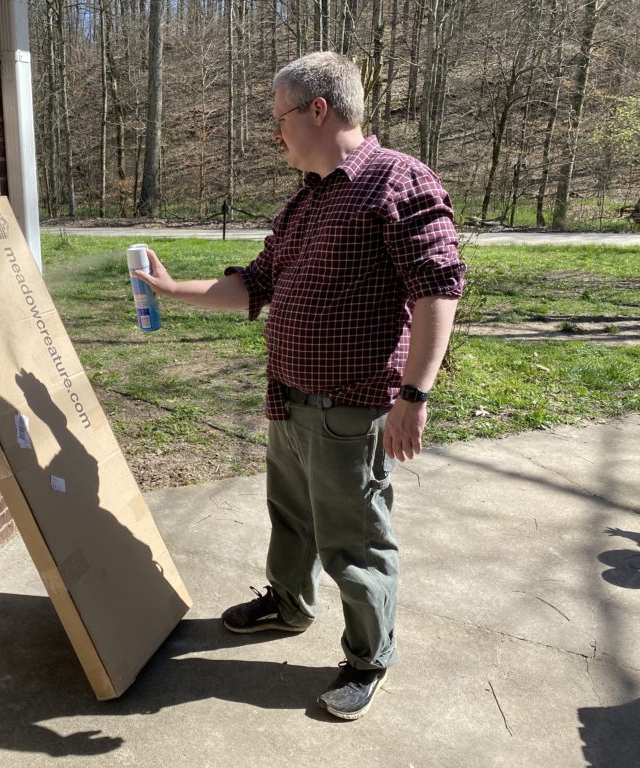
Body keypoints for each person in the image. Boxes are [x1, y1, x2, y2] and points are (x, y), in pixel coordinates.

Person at [135, 51, 465, 721]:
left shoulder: (397, 181)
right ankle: (289, 605)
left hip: (353, 408)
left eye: (279, 115)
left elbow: (438, 289)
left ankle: (369, 659)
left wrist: (414, 397)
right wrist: (171, 290)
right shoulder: (308, 200)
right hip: (289, 400)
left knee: (354, 538)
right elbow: (254, 284)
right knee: (291, 520)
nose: (274, 131)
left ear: (319, 110)